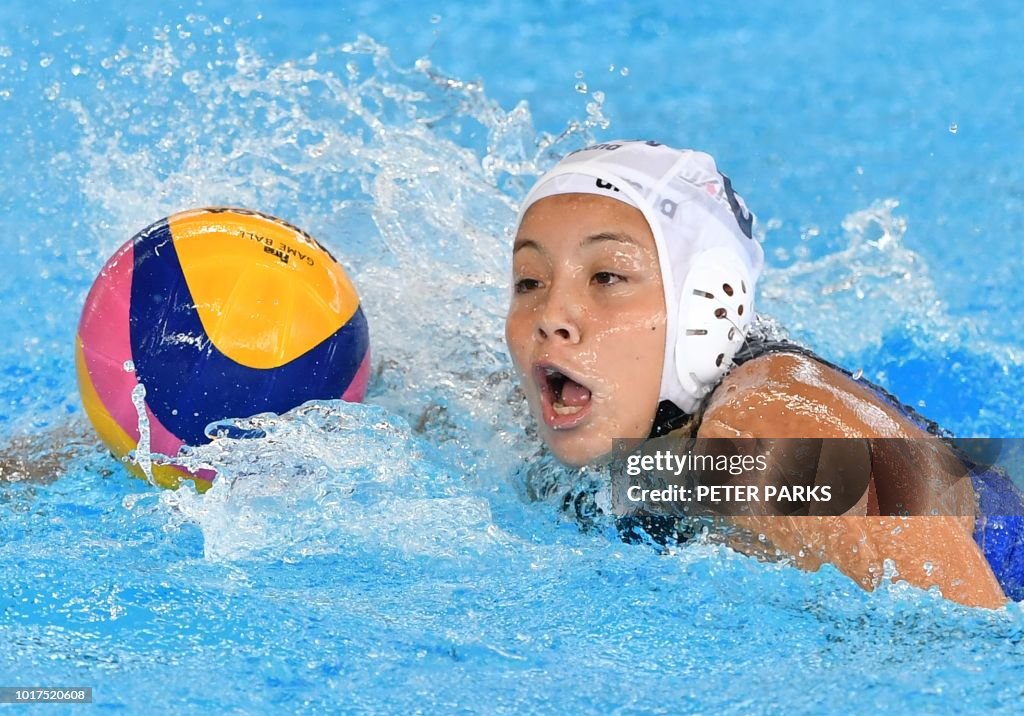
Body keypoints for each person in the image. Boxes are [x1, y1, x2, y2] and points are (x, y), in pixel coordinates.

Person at [505, 139, 1024, 609]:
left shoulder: (767, 430)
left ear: (704, 303)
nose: (551, 317)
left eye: (608, 276)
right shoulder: (534, 433)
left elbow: (966, 640)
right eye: (529, 282)